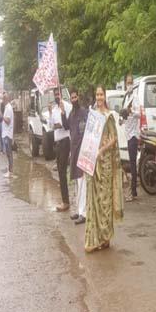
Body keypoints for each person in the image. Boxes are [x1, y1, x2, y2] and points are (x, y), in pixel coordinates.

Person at [84, 85, 124, 252]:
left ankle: (106, 237)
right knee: (96, 200)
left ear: (105, 96)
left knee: (105, 200)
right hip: (94, 163)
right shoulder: (93, 116)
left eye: (101, 94)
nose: (99, 97)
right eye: (97, 94)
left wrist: (102, 149)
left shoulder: (109, 117)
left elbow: (114, 139)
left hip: (106, 163)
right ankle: (95, 238)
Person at [50, 88, 73, 212]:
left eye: (58, 94)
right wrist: (50, 114)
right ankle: (65, 199)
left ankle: (66, 201)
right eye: (55, 95)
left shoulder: (67, 106)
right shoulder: (54, 110)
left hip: (65, 140)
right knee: (59, 171)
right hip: (57, 141)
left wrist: (61, 123)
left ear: (62, 94)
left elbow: (68, 124)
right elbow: (50, 126)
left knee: (63, 171)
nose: (57, 96)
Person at [68, 88, 88, 225]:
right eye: (72, 98)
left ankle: (84, 213)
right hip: (73, 151)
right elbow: (66, 127)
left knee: (82, 183)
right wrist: (62, 113)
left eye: (75, 97)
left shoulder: (84, 112)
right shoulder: (71, 113)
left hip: (82, 152)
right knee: (76, 182)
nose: (74, 100)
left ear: (78, 97)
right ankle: (78, 210)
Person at [120, 73, 140, 201]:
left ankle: (133, 192)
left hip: (133, 134)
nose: (129, 85)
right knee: (130, 162)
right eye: (128, 82)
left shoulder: (135, 97)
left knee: (132, 163)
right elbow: (123, 115)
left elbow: (139, 114)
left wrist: (132, 111)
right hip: (127, 133)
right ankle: (133, 191)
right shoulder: (126, 97)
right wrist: (121, 120)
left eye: (131, 82)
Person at [1, 93, 14, 178]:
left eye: (3, 99)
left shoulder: (9, 108)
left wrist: (1, 116)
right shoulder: (7, 107)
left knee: (9, 153)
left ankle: (10, 171)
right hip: (6, 133)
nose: (2, 101)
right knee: (8, 153)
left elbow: (8, 121)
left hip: (7, 134)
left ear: (6, 99)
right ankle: (9, 169)